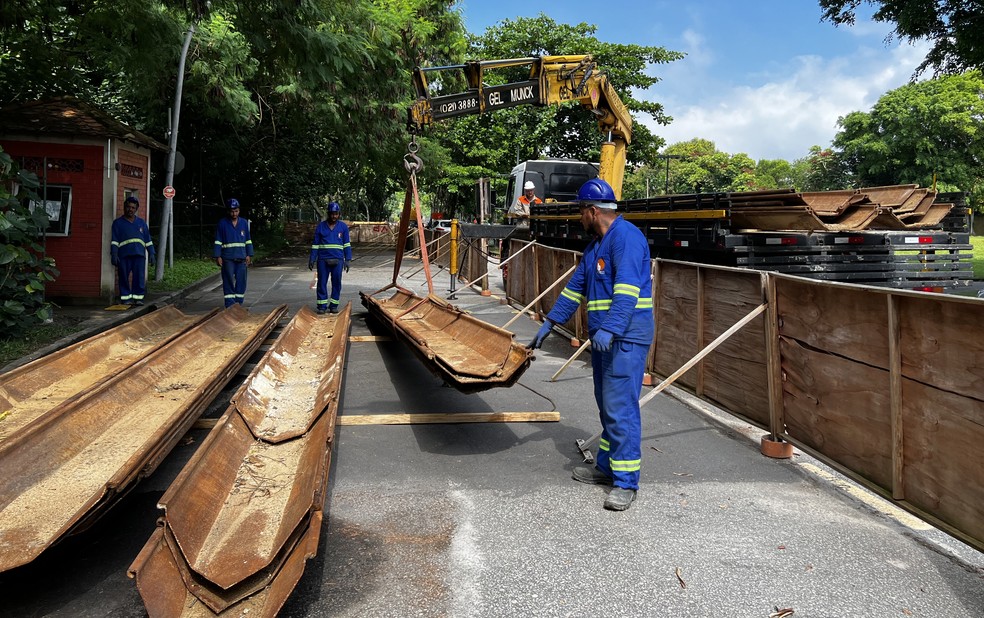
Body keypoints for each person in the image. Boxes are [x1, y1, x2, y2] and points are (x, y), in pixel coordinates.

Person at [528, 178, 654, 511]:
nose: (578, 219)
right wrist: (550, 322)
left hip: (624, 338)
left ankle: (626, 483)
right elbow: (575, 289)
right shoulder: (596, 246)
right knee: (607, 404)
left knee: (620, 408)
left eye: (580, 212)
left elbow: (627, 292)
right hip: (606, 339)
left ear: (592, 210)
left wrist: (610, 328)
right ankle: (606, 468)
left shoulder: (625, 239)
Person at [110, 195, 155, 305]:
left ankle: (138, 298)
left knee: (139, 278)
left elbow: (148, 239)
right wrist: (114, 253)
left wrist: (152, 253)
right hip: (124, 256)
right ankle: (126, 299)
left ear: (136, 209)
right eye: (128, 207)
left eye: (133, 208)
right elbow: (115, 240)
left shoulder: (141, 223)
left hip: (139, 255)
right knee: (124, 278)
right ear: (125, 207)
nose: (130, 209)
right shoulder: (118, 223)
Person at [308, 201, 352, 314]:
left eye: (336, 214)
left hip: (338, 260)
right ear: (328, 213)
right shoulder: (321, 227)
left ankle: (333, 305)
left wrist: (347, 259)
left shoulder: (343, 227)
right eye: (332, 214)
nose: (334, 216)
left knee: (336, 283)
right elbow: (315, 244)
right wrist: (312, 258)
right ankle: (322, 306)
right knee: (322, 282)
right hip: (323, 260)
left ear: (339, 214)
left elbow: (347, 244)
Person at [213, 198, 253, 308]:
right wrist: (218, 256)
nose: (234, 213)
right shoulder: (222, 223)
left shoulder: (244, 223)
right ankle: (230, 304)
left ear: (239, 210)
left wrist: (249, 254)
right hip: (227, 258)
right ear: (228, 211)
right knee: (228, 280)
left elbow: (248, 240)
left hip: (241, 257)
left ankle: (238, 303)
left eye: (236, 211)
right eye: (231, 211)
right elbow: (218, 240)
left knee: (241, 281)